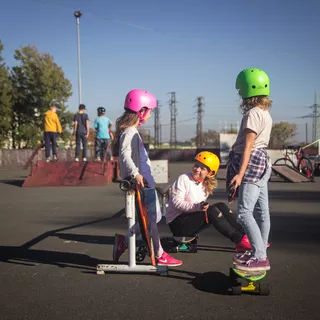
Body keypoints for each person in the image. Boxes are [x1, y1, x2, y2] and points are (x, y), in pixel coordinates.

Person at [113, 89, 182, 267]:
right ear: (141, 110)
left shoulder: (133, 132)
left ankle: (124, 241)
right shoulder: (129, 132)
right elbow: (124, 155)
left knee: (154, 217)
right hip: (141, 183)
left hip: (146, 182)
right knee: (152, 218)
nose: (150, 115)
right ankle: (159, 253)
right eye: (150, 110)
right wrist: (135, 173)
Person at [227, 68, 273, 272]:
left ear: (246, 90)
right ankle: (260, 249)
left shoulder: (253, 114)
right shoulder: (265, 113)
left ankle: (260, 256)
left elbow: (248, 146)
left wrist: (239, 173)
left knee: (244, 212)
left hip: (251, 161)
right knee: (263, 211)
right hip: (263, 160)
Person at [166, 151, 252, 253]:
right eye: (196, 165)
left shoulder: (205, 185)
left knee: (221, 206)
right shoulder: (184, 179)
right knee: (212, 212)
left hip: (190, 218)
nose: (197, 169)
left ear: (210, 173)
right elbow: (177, 203)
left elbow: (198, 208)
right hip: (177, 222)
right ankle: (239, 240)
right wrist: (198, 207)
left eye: (202, 168)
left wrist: (200, 207)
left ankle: (245, 237)